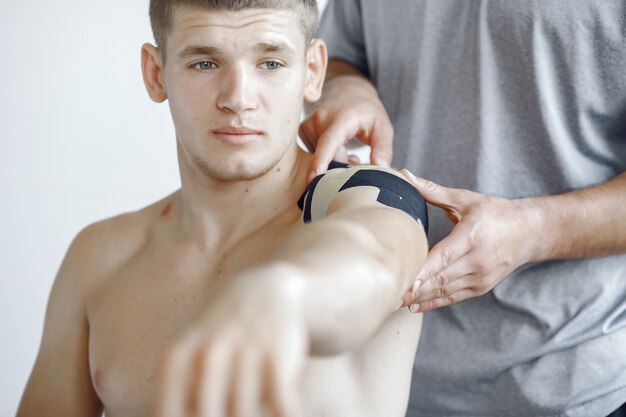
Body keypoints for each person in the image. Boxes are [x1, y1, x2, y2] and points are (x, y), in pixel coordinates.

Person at [16, 1, 430, 416]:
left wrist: (287, 295)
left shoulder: (365, 197)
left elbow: (376, 260)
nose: (238, 98)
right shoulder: (99, 258)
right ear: (155, 74)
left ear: (313, 72)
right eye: (204, 63)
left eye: (270, 63)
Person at [300, 1, 626, 416]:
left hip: (569, 381)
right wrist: (350, 91)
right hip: (395, 375)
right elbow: (340, 56)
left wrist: (534, 231)